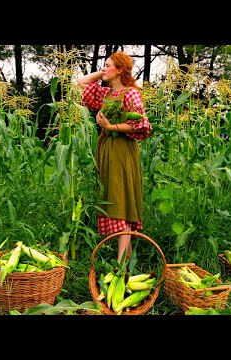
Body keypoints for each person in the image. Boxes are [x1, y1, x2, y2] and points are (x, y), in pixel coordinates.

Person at [76, 51, 153, 264]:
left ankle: (121, 264)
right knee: (114, 199)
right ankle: (125, 259)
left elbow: (141, 125)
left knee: (122, 201)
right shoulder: (106, 94)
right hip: (107, 150)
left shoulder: (131, 94)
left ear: (120, 70)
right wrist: (101, 73)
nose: (104, 68)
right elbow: (81, 82)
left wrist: (110, 126)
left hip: (122, 150)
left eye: (108, 65)